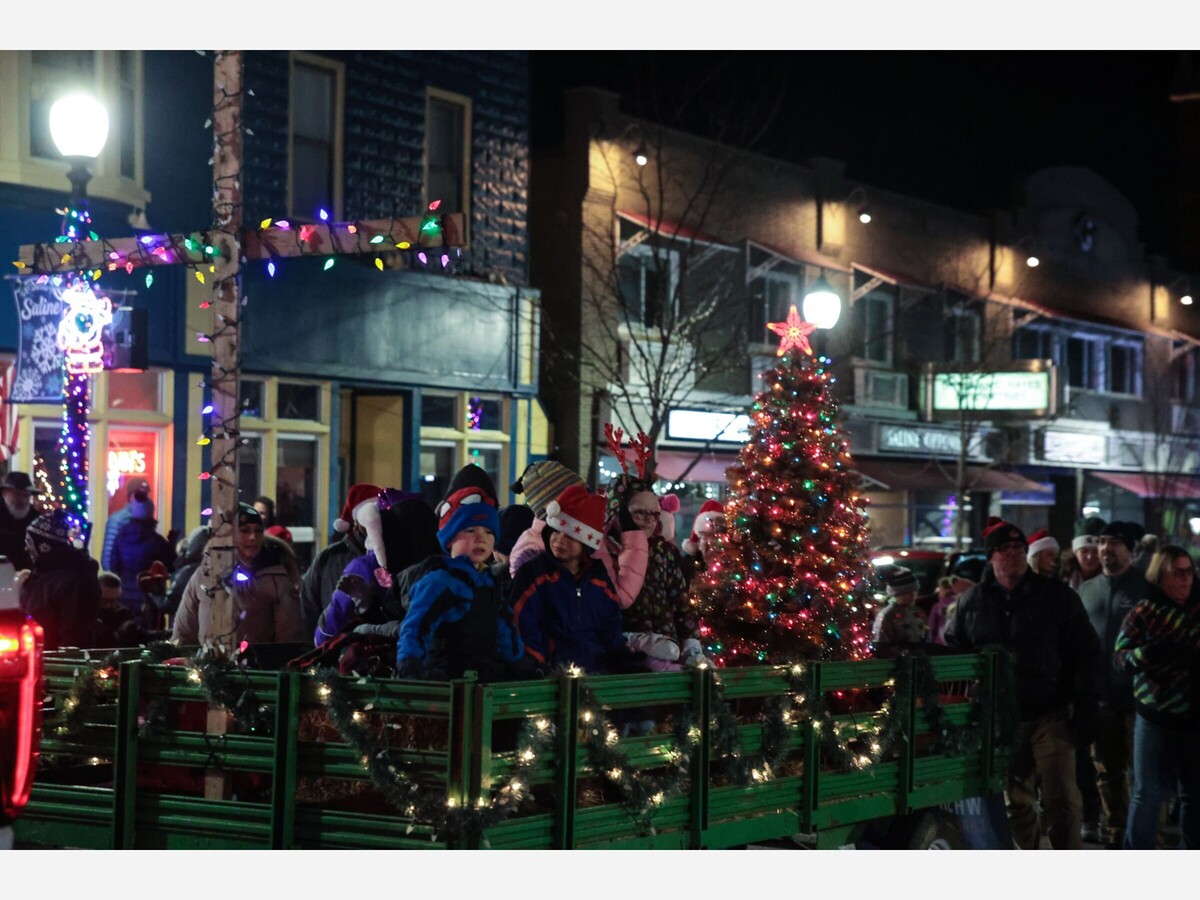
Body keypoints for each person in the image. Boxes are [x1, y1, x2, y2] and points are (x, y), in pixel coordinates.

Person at [944, 518, 1100, 850]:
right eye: (1003, 548)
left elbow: (1086, 651)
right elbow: (954, 652)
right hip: (1003, 718)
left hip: (1051, 712)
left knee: (1062, 800)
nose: (1012, 554)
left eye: (1018, 548)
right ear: (990, 557)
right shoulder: (973, 602)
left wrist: (1085, 705)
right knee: (1017, 802)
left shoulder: (1056, 596)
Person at [394, 465, 524, 681]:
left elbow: (504, 628)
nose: (480, 538)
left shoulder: (489, 582)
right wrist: (409, 667)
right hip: (446, 687)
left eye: (488, 532)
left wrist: (519, 663)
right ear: (450, 537)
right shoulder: (441, 581)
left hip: (483, 684)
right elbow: (416, 628)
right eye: (470, 531)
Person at [1114, 545, 1200, 849]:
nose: (1186, 579)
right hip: (1154, 717)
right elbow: (1121, 658)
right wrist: (1149, 654)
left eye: (1189, 571)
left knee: (1193, 795)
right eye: (1178, 572)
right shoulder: (1145, 611)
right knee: (1147, 793)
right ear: (1161, 574)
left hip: (1194, 719)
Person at [510, 484, 638, 674]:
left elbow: (610, 626)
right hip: (550, 672)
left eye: (570, 536)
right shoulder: (535, 573)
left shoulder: (598, 580)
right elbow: (523, 623)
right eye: (556, 531)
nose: (560, 539)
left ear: (586, 544)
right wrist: (535, 663)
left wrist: (620, 659)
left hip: (594, 670)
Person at [1077, 519, 1147, 848]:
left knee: (1144, 779)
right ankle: (1117, 836)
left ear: (1130, 550)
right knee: (1106, 773)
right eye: (1102, 541)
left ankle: (1146, 841)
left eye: (1113, 542)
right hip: (1100, 699)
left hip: (1141, 701)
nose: (1105, 548)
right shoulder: (1086, 590)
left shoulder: (1146, 588)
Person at [315, 490, 440, 645]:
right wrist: (368, 606)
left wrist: (366, 627)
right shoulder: (440, 565)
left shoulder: (373, 566)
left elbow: (324, 637)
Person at [172, 503, 305, 646]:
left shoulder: (275, 577)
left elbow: (288, 637)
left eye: (258, 531)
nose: (253, 536)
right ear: (230, 535)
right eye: (245, 530)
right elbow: (184, 630)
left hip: (255, 666)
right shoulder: (204, 574)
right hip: (207, 665)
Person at [606, 472, 701, 670]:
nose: (650, 520)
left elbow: (681, 603)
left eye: (655, 514)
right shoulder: (604, 550)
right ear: (619, 509)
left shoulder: (662, 552)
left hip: (668, 653)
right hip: (621, 660)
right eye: (640, 512)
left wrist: (692, 647)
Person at [299, 483, 381, 637]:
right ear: (356, 521)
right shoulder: (330, 558)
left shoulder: (394, 555)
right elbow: (308, 607)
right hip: (332, 647)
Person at [19, 509, 101, 650]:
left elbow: (74, 632)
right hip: (37, 656)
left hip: (56, 663)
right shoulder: (43, 571)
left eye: (29, 542)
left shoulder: (74, 579)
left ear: (44, 545)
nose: (26, 548)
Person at [109, 492, 176, 619]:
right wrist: (171, 545)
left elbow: (114, 565)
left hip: (124, 597)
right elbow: (171, 565)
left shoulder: (121, 537)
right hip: (149, 600)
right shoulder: (157, 542)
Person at [871, 567, 928, 657]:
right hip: (898, 665)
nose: (912, 595)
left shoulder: (917, 611)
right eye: (907, 592)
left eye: (914, 591)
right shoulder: (887, 615)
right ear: (897, 594)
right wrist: (902, 654)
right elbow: (880, 646)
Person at [100, 476, 150, 571]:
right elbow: (108, 559)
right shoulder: (117, 520)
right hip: (124, 581)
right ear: (131, 495)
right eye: (139, 494)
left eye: (145, 494)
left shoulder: (146, 520)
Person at [0, 471, 44, 572]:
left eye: (26, 496)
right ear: (5, 493)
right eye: (18, 495)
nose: (23, 500)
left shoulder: (36, 519)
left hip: (27, 576)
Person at [681, 499, 724, 581]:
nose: (708, 540)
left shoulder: (726, 556)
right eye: (703, 535)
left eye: (712, 535)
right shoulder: (691, 560)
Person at [96, 570, 139, 647]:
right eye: (104, 600)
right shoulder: (86, 615)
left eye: (113, 600)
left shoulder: (124, 614)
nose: (109, 605)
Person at [1070, 515, 1107, 591]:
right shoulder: (1059, 577)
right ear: (1075, 553)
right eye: (1084, 551)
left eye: (1095, 551)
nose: (1089, 557)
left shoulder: (1111, 580)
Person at [926, 576, 957, 646]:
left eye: (940, 588)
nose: (938, 591)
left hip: (939, 643)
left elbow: (931, 626)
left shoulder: (937, 606)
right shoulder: (961, 604)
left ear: (946, 590)